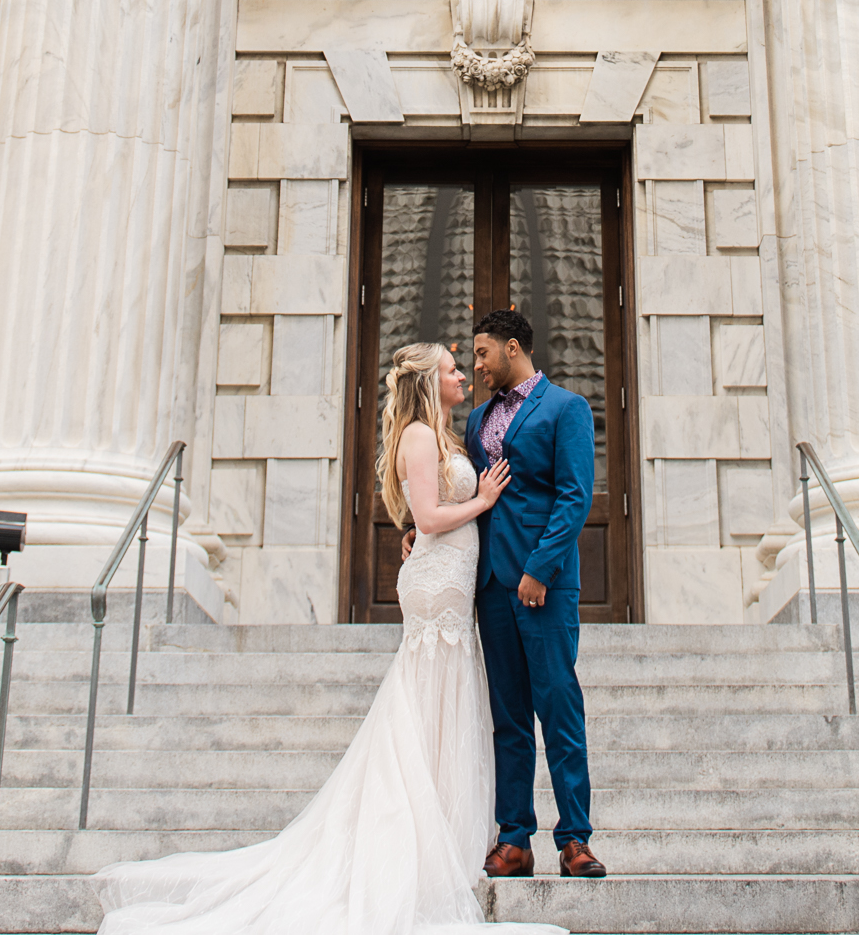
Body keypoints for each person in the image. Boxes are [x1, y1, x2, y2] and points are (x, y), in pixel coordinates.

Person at [92, 341, 567, 935]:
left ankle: (442, 832)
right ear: (427, 381)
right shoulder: (421, 436)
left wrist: (475, 508)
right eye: (451, 369)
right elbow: (428, 519)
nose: (463, 376)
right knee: (428, 703)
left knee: (446, 705)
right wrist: (482, 499)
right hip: (436, 588)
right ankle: (415, 836)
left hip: (453, 582)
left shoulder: (452, 436)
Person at [462, 309, 604, 880]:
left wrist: (541, 568)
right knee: (509, 717)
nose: (476, 365)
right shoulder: (475, 421)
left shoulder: (566, 408)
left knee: (559, 708)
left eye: (482, 353)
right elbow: (468, 494)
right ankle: (514, 838)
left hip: (543, 586)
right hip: (492, 588)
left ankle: (575, 840)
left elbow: (575, 496)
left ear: (513, 348)